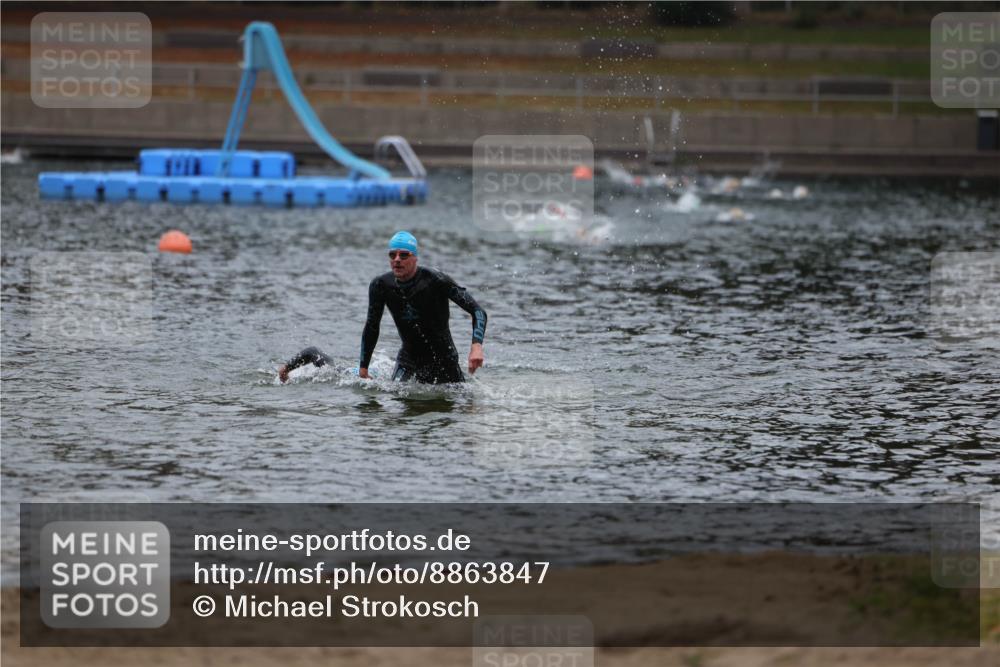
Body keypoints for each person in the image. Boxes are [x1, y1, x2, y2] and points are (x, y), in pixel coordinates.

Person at [279, 231, 486, 384]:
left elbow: (478, 311)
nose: (397, 259)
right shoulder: (381, 285)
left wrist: (476, 346)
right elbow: (372, 327)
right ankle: (307, 359)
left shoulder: (436, 280)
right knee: (393, 397)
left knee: (462, 407)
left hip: (444, 361)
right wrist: (363, 367)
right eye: (392, 255)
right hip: (408, 361)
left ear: (415, 257)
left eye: (403, 255)